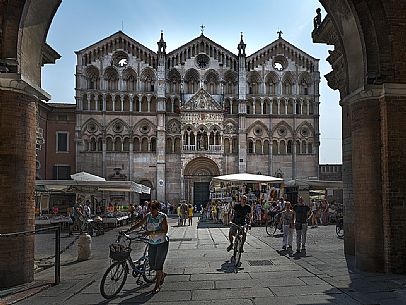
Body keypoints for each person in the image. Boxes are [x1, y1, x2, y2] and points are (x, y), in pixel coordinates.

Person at [126, 200, 169, 293]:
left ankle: (157, 285)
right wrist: (128, 230)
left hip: (162, 243)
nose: (151, 211)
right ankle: (161, 274)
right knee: (152, 264)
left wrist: (151, 232)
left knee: (158, 264)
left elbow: (165, 230)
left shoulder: (162, 217)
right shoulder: (148, 216)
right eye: (150, 209)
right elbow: (139, 224)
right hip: (152, 243)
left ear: (158, 209)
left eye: (153, 209)